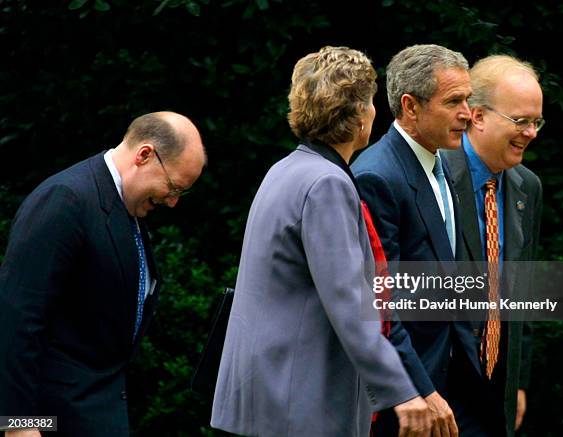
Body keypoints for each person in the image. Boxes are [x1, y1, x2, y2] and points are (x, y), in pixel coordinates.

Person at [211, 46, 432, 437]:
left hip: (266, 395)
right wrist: (401, 391)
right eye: (371, 103)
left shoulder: (285, 169)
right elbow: (350, 303)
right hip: (297, 403)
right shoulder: (326, 184)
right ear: (360, 114)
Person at [0, 111, 206, 437]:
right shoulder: (65, 200)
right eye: (173, 187)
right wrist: (18, 426)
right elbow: (17, 317)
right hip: (53, 422)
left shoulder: (125, 206)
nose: (172, 202)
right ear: (144, 155)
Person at [352, 44, 480, 436]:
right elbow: (382, 304)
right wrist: (419, 388)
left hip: (451, 380)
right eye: (454, 101)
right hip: (408, 399)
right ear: (410, 106)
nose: (467, 114)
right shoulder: (377, 176)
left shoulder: (444, 163)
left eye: (468, 100)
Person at [442, 54, 543, 436]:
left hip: (495, 390)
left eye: (536, 122)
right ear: (478, 116)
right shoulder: (437, 175)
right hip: (440, 388)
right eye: (520, 121)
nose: (531, 132)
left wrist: (517, 381)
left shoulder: (527, 187)